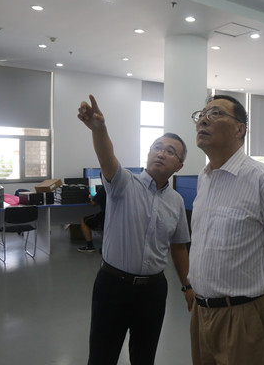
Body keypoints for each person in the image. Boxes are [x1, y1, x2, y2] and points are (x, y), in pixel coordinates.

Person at [78, 94, 194, 365]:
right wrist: (99, 129)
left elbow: (178, 246)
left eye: (170, 151)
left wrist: (188, 285)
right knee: (102, 357)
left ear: (179, 165)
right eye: (157, 147)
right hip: (113, 286)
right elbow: (107, 158)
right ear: (148, 153)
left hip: (153, 291)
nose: (161, 153)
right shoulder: (123, 183)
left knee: (144, 357)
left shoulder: (177, 201)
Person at [188, 94, 264, 365]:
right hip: (200, 312)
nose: (203, 120)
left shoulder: (263, 179)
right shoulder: (204, 178)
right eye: (201, 115)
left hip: (243, 314)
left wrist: (257, 289)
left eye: (214, 113)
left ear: (240, 129)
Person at [77, 183, 106, 253]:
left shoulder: (103, 189)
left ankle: (90, 246)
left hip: (105, 216)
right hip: (116, 216)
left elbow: (93, 203)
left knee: (83, 220)